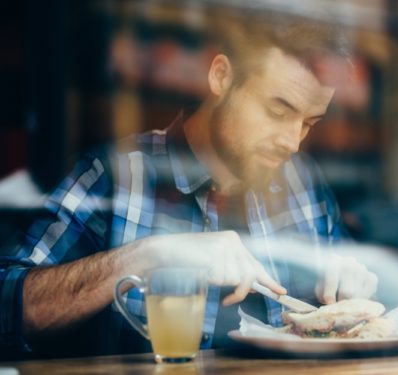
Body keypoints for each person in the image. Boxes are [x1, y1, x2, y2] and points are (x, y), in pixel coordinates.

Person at [0, 11, 377, 358]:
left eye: (310, 122)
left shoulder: (304, 186)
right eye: (278, 111)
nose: (293, 142)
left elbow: (347, 321)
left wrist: (349, 288)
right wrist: (151, 256)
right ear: (220, 77)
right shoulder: (116, 177)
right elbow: (9, 305)